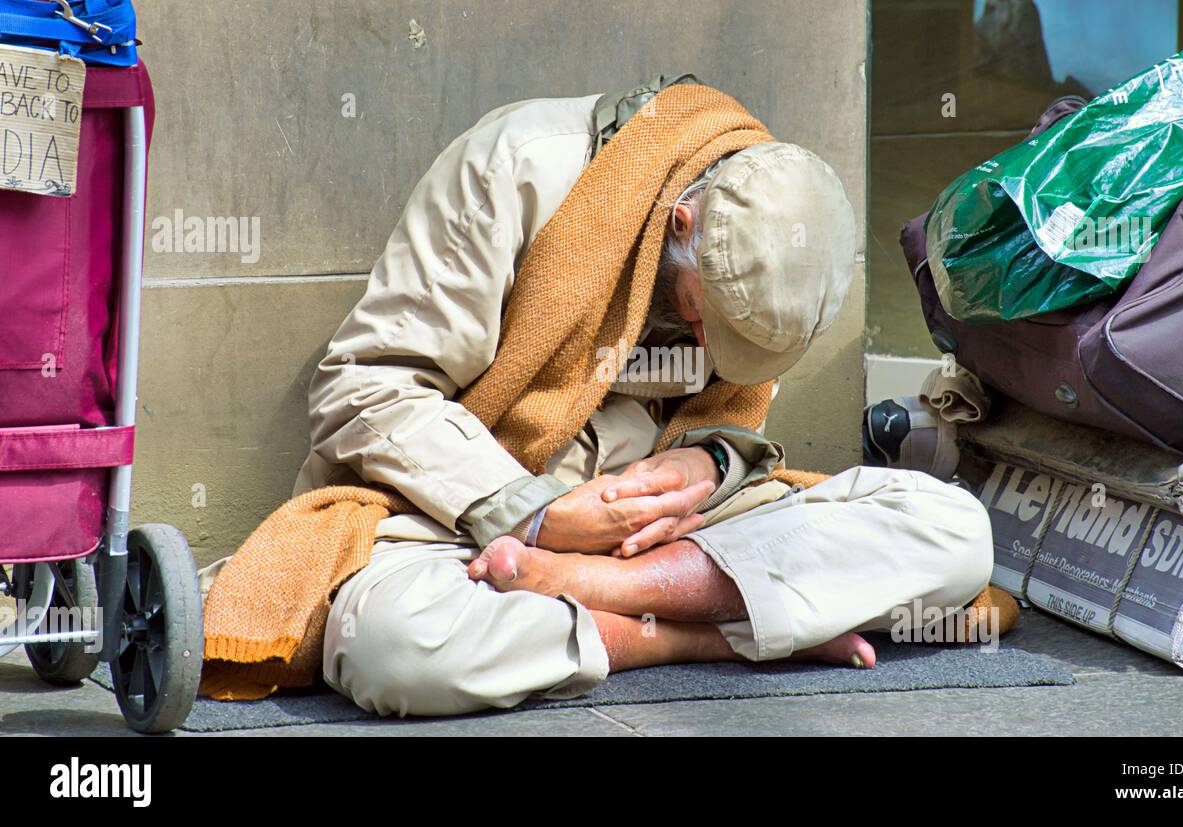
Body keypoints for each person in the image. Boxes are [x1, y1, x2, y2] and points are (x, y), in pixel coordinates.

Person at [293, 77, 994, 716]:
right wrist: (534, 515)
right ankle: (706, 635)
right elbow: (363, 386)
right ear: (680, 224)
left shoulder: (772, 225)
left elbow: (733, 413)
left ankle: (610, 600)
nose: (709, 351)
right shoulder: (515, 171)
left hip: (673, 534)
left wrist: (714, 462)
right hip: (476, 522)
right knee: (395, 648)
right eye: (702, 322)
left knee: (955, 530)